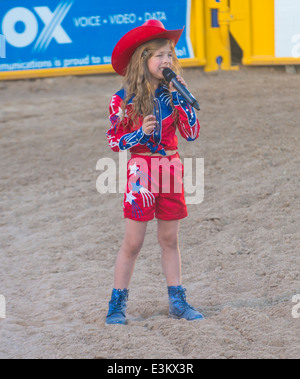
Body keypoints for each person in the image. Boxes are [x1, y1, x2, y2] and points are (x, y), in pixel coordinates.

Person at [105, 19, 204, 325]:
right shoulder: (122, 100)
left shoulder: (175, 92)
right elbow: (113, 140)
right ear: (142, 60)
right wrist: (139, 135)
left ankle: (177, 301)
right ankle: (117, 306)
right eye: (159, 55)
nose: (166, 61)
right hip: (141, 171)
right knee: (133, 242)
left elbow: (191, 134)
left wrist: (183, 100)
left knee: (169, 239)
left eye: (169, 55)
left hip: (171, 168)